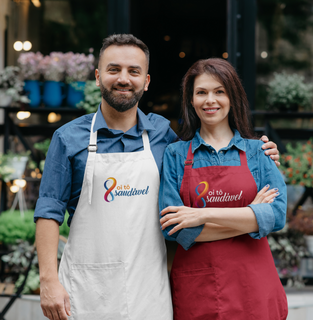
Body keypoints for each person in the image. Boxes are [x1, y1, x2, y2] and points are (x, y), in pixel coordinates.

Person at [34, 35, 280, 320]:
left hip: (149, 291)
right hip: (86, 290)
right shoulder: (68, 138)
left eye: (134, 71)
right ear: (99, 77)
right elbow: (49, 212)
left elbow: (209, 172)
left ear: (146, 81)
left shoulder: (165, 137)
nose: (123, 79)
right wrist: (48, 281)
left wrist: (262, 155)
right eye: (114, 70)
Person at [159, 58, 288, 320]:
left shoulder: (258, 151)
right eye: (201, 92)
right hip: (200, 290)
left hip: (254, 287)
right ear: (191, 100)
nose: (210, 100)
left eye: (219, 91)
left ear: (232, 97)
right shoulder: (174, 154)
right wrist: (252, 216)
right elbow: (175, 230)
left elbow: (276, 216)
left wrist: (201, 215)